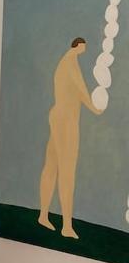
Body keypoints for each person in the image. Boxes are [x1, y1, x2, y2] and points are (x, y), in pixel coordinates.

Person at [38, 37, 103, 238]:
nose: (85, 49)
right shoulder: (70, 62)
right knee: (67, 171)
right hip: (65, 121)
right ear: (78, 46)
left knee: (52, 165)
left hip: (58, 117)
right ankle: (66, 226)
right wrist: (95, 108)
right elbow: (82, 91)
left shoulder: (66, 61)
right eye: (84, 46)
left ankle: (43, 216)